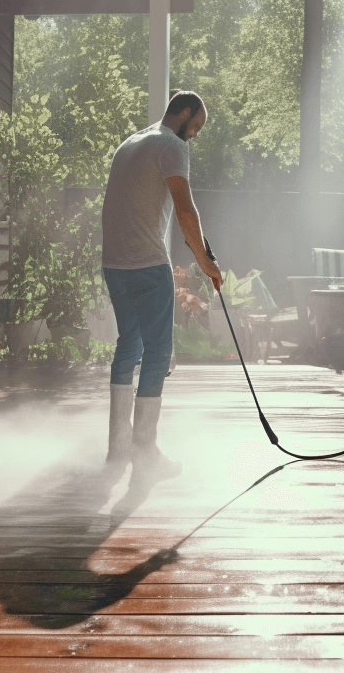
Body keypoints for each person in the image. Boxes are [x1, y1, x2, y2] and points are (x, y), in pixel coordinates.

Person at [100, 90, 222, 481]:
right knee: (157, 353)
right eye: (197, 125)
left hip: (114, 264)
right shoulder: (171, 145)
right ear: (183, 112)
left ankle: (117, 450)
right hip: (148, 265)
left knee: (128, 345)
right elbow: (185, 209)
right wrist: (206, 263)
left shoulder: (130, 143)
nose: (196, 135)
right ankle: (145, 452)